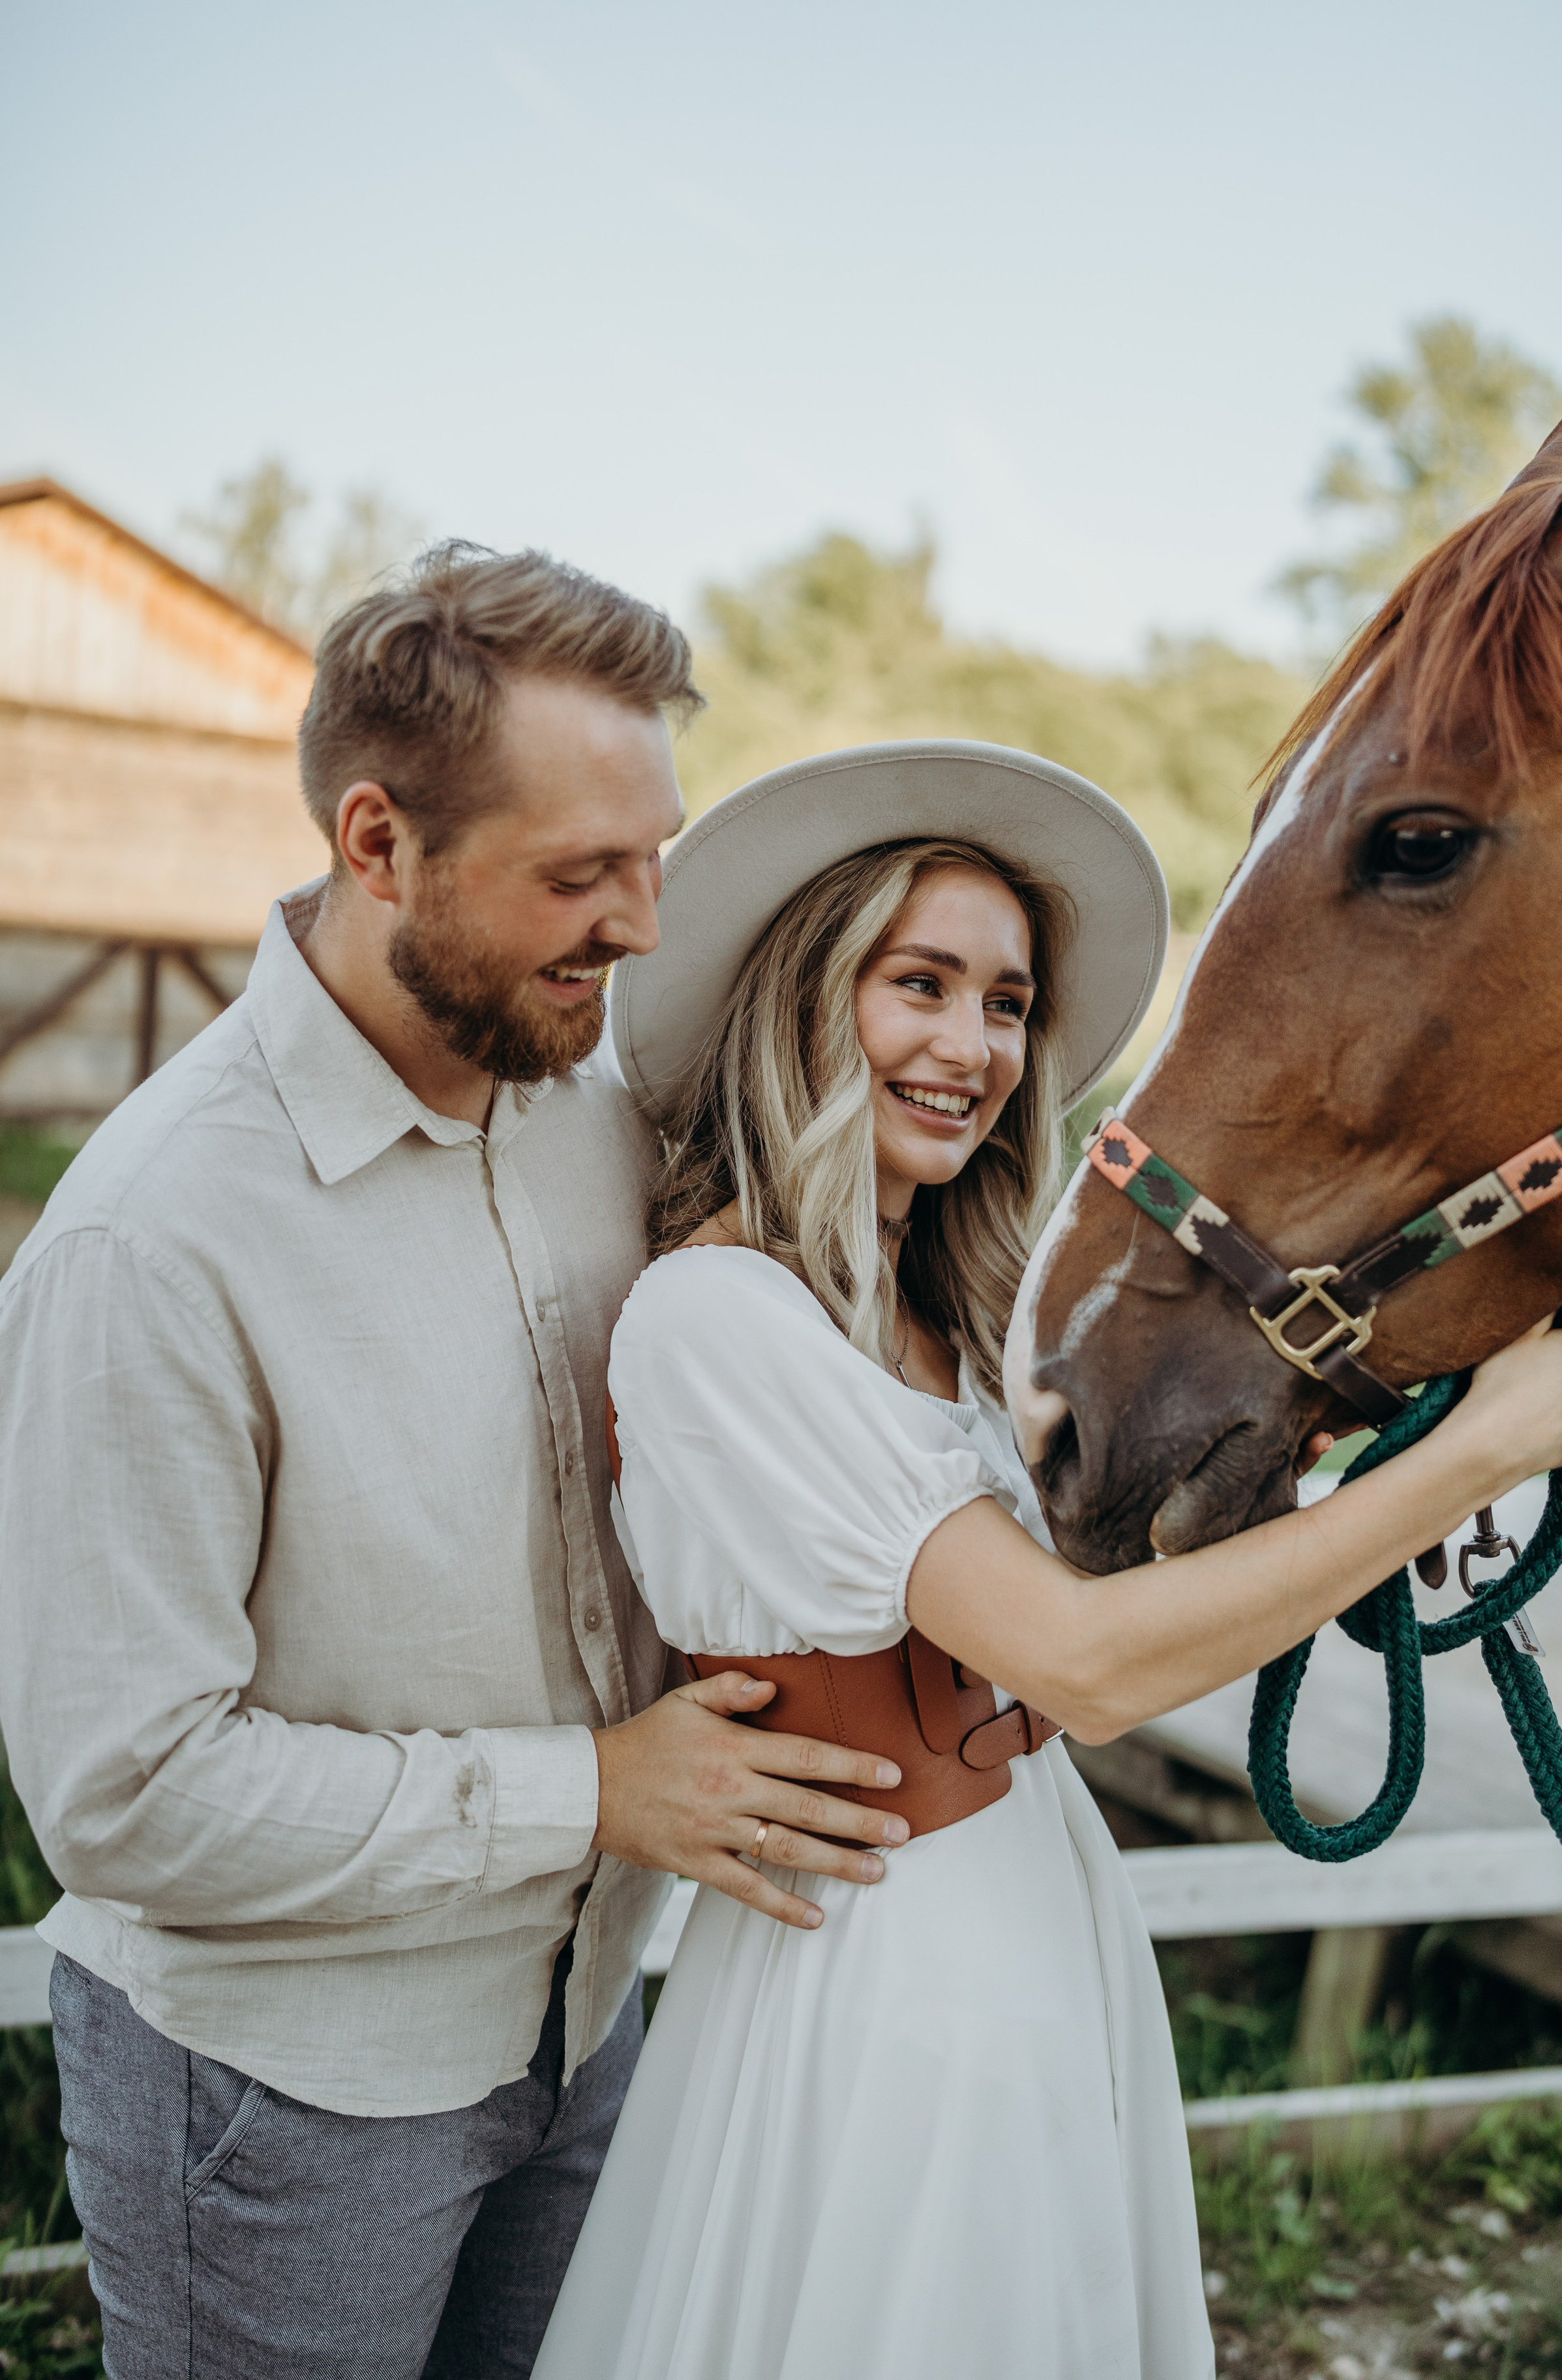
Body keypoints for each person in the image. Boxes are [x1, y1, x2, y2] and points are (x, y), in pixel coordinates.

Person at [535, 740, 1562, 2380]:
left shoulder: (940, 1324)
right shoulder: (719, 1317)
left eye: (1007, 1004)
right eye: (920, 984)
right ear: (803, 997)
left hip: (1028, 1892)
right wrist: (1479, 1458)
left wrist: (1383, 1423)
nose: (971, 1045)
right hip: (895, 1958)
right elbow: (1089, 1667)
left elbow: (1133, 1616)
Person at [0, 548, 910, 2380]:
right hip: (279, 2102)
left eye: (654, 854)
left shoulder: (601, 1112)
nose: (644, 926)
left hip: (584, 2034)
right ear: (377, 840)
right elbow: (122, 1796)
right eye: (581, 876)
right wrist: (596, 1794)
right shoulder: (151, 1244)